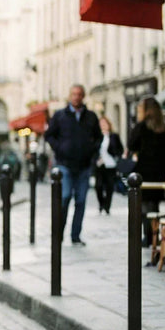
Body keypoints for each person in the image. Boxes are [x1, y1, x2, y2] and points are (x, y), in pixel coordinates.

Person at [44, 84, 102, 246]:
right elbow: (49, 136)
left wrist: (92, 152)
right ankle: (58, 235)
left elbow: (99, 137)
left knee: (81, 201)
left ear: (83, 97)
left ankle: (75, 236)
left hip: (84, 166)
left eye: (79, 94)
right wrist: (59, 148)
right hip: (65, 165)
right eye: (73, 94)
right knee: (64, 197)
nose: (76, 97)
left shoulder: (90, 116)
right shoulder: (60, 115)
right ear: (70, 96)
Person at [127, 96, 165, 245]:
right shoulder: (164, 130)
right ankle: (154, 235)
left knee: (143, 207)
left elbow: (131, 145)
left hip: (144, 173)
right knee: (153, 206)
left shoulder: (141, 127)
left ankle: (148, 236)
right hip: (159, 174)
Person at [93, 115, 123, 215]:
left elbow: (119, 149)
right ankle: (101, 204)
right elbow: (93, 150)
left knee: (110, 186)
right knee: (98, 186)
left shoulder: (114, 136)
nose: (103, 126)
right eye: (101, 124)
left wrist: (115, 156)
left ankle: (107, 207)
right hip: (100, 164)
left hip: (110, 164)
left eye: (104, 124)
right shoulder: (97, 137)